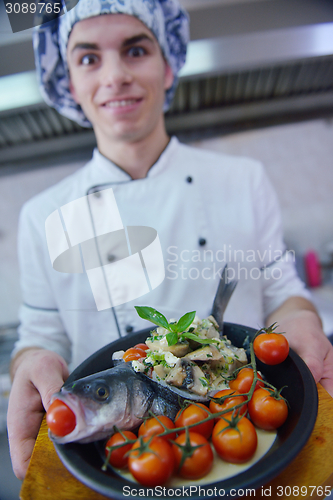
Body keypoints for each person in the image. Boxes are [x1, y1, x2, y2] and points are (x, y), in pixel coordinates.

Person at [7, 0, 333, 481]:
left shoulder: (243, 180)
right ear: (67, 81)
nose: (115, 75)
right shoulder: (42, 217)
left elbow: (283, 291)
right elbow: (40, 334)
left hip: (245, 440)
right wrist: (31, 359)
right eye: (89, 58)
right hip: (124, 460)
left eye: (136, 50)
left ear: (169, 65)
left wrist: (302, 318)